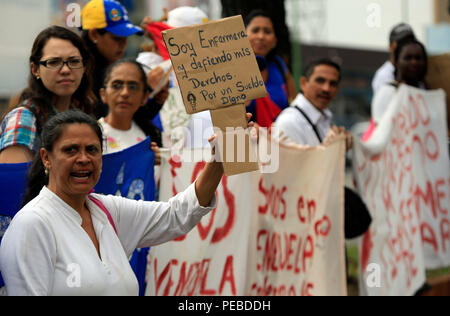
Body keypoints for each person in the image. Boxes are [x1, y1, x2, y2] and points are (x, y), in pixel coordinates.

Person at [0, 109, 228, 296]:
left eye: (92, 149)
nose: (83, 159)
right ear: (46, 158)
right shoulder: (32, 225)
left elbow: (176, 214)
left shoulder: (106, 210)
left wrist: (219, 157)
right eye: (70, 150)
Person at [0, 26, 95, 164]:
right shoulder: (24, 118)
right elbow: (12, 182)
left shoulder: (81, 112)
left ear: (84, 67)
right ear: (35, 69)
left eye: (74, 61)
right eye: (54, 62)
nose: (65, 70)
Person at [80, 0, 168, 119]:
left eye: (125, 38)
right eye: (116, 38)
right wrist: (146, 89)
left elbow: (128, 123)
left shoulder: (106, 68)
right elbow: (108, 124)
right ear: (94, 35)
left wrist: (155, 102)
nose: (123, 45)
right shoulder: (81, 75)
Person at [99, 59, 162, 158]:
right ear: (103, 94)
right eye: (116, 85)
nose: (125, 93)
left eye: (133, 87)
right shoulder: (92, 134)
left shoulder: (152, 139)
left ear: (144, 97)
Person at [245, 10, 297, 127]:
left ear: (275, 40)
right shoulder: (230, 70)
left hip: (278, 141)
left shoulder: (280, 66)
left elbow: (295, 108)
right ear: (243, 35)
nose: (261, 36)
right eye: (255, 30)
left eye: (267, 32)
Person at [371, 37, 428, 124]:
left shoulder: (427, 92)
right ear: (397, 61)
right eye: (408, 58)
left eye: (418, 58)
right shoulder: (387, 92)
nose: (414, 62)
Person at [372, 23, 416, 93]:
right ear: (390, 46)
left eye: (410, 42)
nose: (407, 46)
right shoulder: (384, 75)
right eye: (402, 43)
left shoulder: (415, 72)